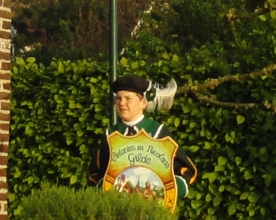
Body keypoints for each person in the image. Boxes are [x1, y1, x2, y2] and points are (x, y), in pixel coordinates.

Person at [85, 73, 199, 208]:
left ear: (143, 103)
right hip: (116, 210)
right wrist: (104, 187)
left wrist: (170, 190)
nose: (122, 103)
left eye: (128, 99)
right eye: (119, 98)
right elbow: (94, 173)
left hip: (154, 211)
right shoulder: (110, 135)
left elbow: (187, 170)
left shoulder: (159, 133)